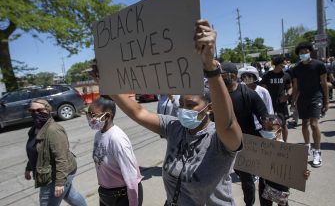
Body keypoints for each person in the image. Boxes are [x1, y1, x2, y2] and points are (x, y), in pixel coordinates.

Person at [92, 19, 242, 205]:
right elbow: (139, 112)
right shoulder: (174, 128)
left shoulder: (220, 140)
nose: (183, 109)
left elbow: (227, 124)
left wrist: (210, 67)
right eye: (181, 103)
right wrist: (108, 84)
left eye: (191, 104)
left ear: (210, 107)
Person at [220, 62, 268, 206]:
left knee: (258, 180)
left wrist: (270, 124)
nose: (218, 78)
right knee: (245, 181)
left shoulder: (248, 94)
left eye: (221, 75)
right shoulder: (216, 95)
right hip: (227, 145)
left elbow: (264, 115)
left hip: (249, 143)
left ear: (233, 76)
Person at [25, 99, 87, 206]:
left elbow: (61, 158)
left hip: (56, 174)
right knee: (70, 195)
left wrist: (59, 183)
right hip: (48, 171)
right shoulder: (34, 129)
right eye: (32, 111)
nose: (35, 113)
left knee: (47, 202)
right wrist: (28, 168)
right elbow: (35, 152)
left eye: (39, 110)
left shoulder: (54, 130)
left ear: (48, 110)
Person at [87, 96, 143, 206]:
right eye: (88, 114)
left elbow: (131, 175)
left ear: (107, 116)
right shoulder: (98, 134)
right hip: (106, 192)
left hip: (122, 196)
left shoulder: (117, 139)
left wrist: (133, 203)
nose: (89, 118)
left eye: (93, 115)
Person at [257, 115, 310, 206]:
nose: (266, 129)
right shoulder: (257, 143)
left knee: (282, 203)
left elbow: (298, 168)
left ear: (279, 131)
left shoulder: (287, 151)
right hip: (265, 181)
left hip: (281, 182)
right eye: (265, 128)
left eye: (271, 127)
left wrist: (304, 173)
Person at [291, 42, 329, 168]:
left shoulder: (319, 65)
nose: (304, 54)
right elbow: (295, 87)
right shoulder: (296, 68)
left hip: (316, 97)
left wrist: (326, 101)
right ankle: (307, 146)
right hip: (303, 98)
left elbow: (324, 84)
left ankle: (317, 152)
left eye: (306, 52)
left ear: (310, 52)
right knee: (304, 125)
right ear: (298, 55)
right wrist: (293, 101)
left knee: (313, 124)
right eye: (301, 53)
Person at [261, 57, 292, 142]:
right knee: (270, 124)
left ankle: (285, 143)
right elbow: (263, 89)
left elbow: (290, 88)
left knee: (283, 124)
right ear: (278, 64)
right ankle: (273, 142)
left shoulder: (286, 75)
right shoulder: (267, 75)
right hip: (269, 104)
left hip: (281, 104)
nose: (285, 65)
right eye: (284, 63)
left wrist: (287, 95)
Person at [238, 66, 274, 131]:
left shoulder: (263, 91)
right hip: (245, 126)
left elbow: (269, 108)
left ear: (255, 77)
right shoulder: (239, 91)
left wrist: (270, 123)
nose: (246, 78)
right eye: (244, 76)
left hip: (261, 125)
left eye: (249, 76)